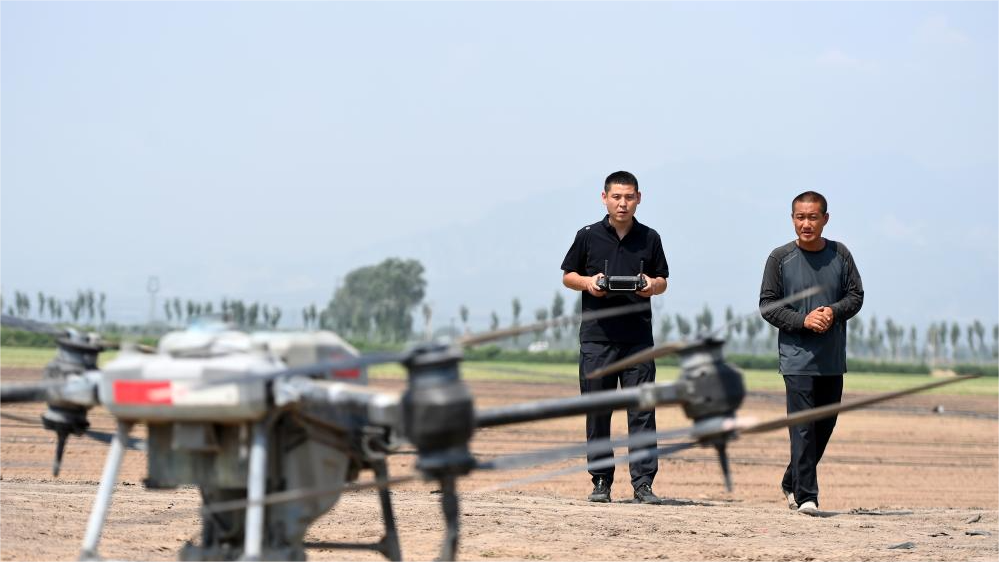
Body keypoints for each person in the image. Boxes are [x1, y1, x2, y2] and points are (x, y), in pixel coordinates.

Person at [560, 171, 669, 504]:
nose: (623, 203)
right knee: (598, 411)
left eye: (629, 197)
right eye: (617, 197)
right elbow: (568, 276)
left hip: (637, 338)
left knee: (642, 412)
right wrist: (590, 283)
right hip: (597, 339)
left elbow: (663, 279)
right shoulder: (588, 235)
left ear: (639, 198)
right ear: (604, 197)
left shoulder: (650, 238)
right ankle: (601, 481)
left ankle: (643, 484)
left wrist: (651, 285)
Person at [759, 191, 864, 515]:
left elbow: (856, 295)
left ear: (825, 219)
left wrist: (833, 312)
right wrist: (803, 320)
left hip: (832, 359)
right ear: (792, 219)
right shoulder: (780, 258)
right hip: (796, 357)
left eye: (812, 217)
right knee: (803, 427)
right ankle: (807, 496)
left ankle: (792, 480)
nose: (806, 224)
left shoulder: (840, 255)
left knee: (824, 426)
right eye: (800, 217)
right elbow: (768, 305)